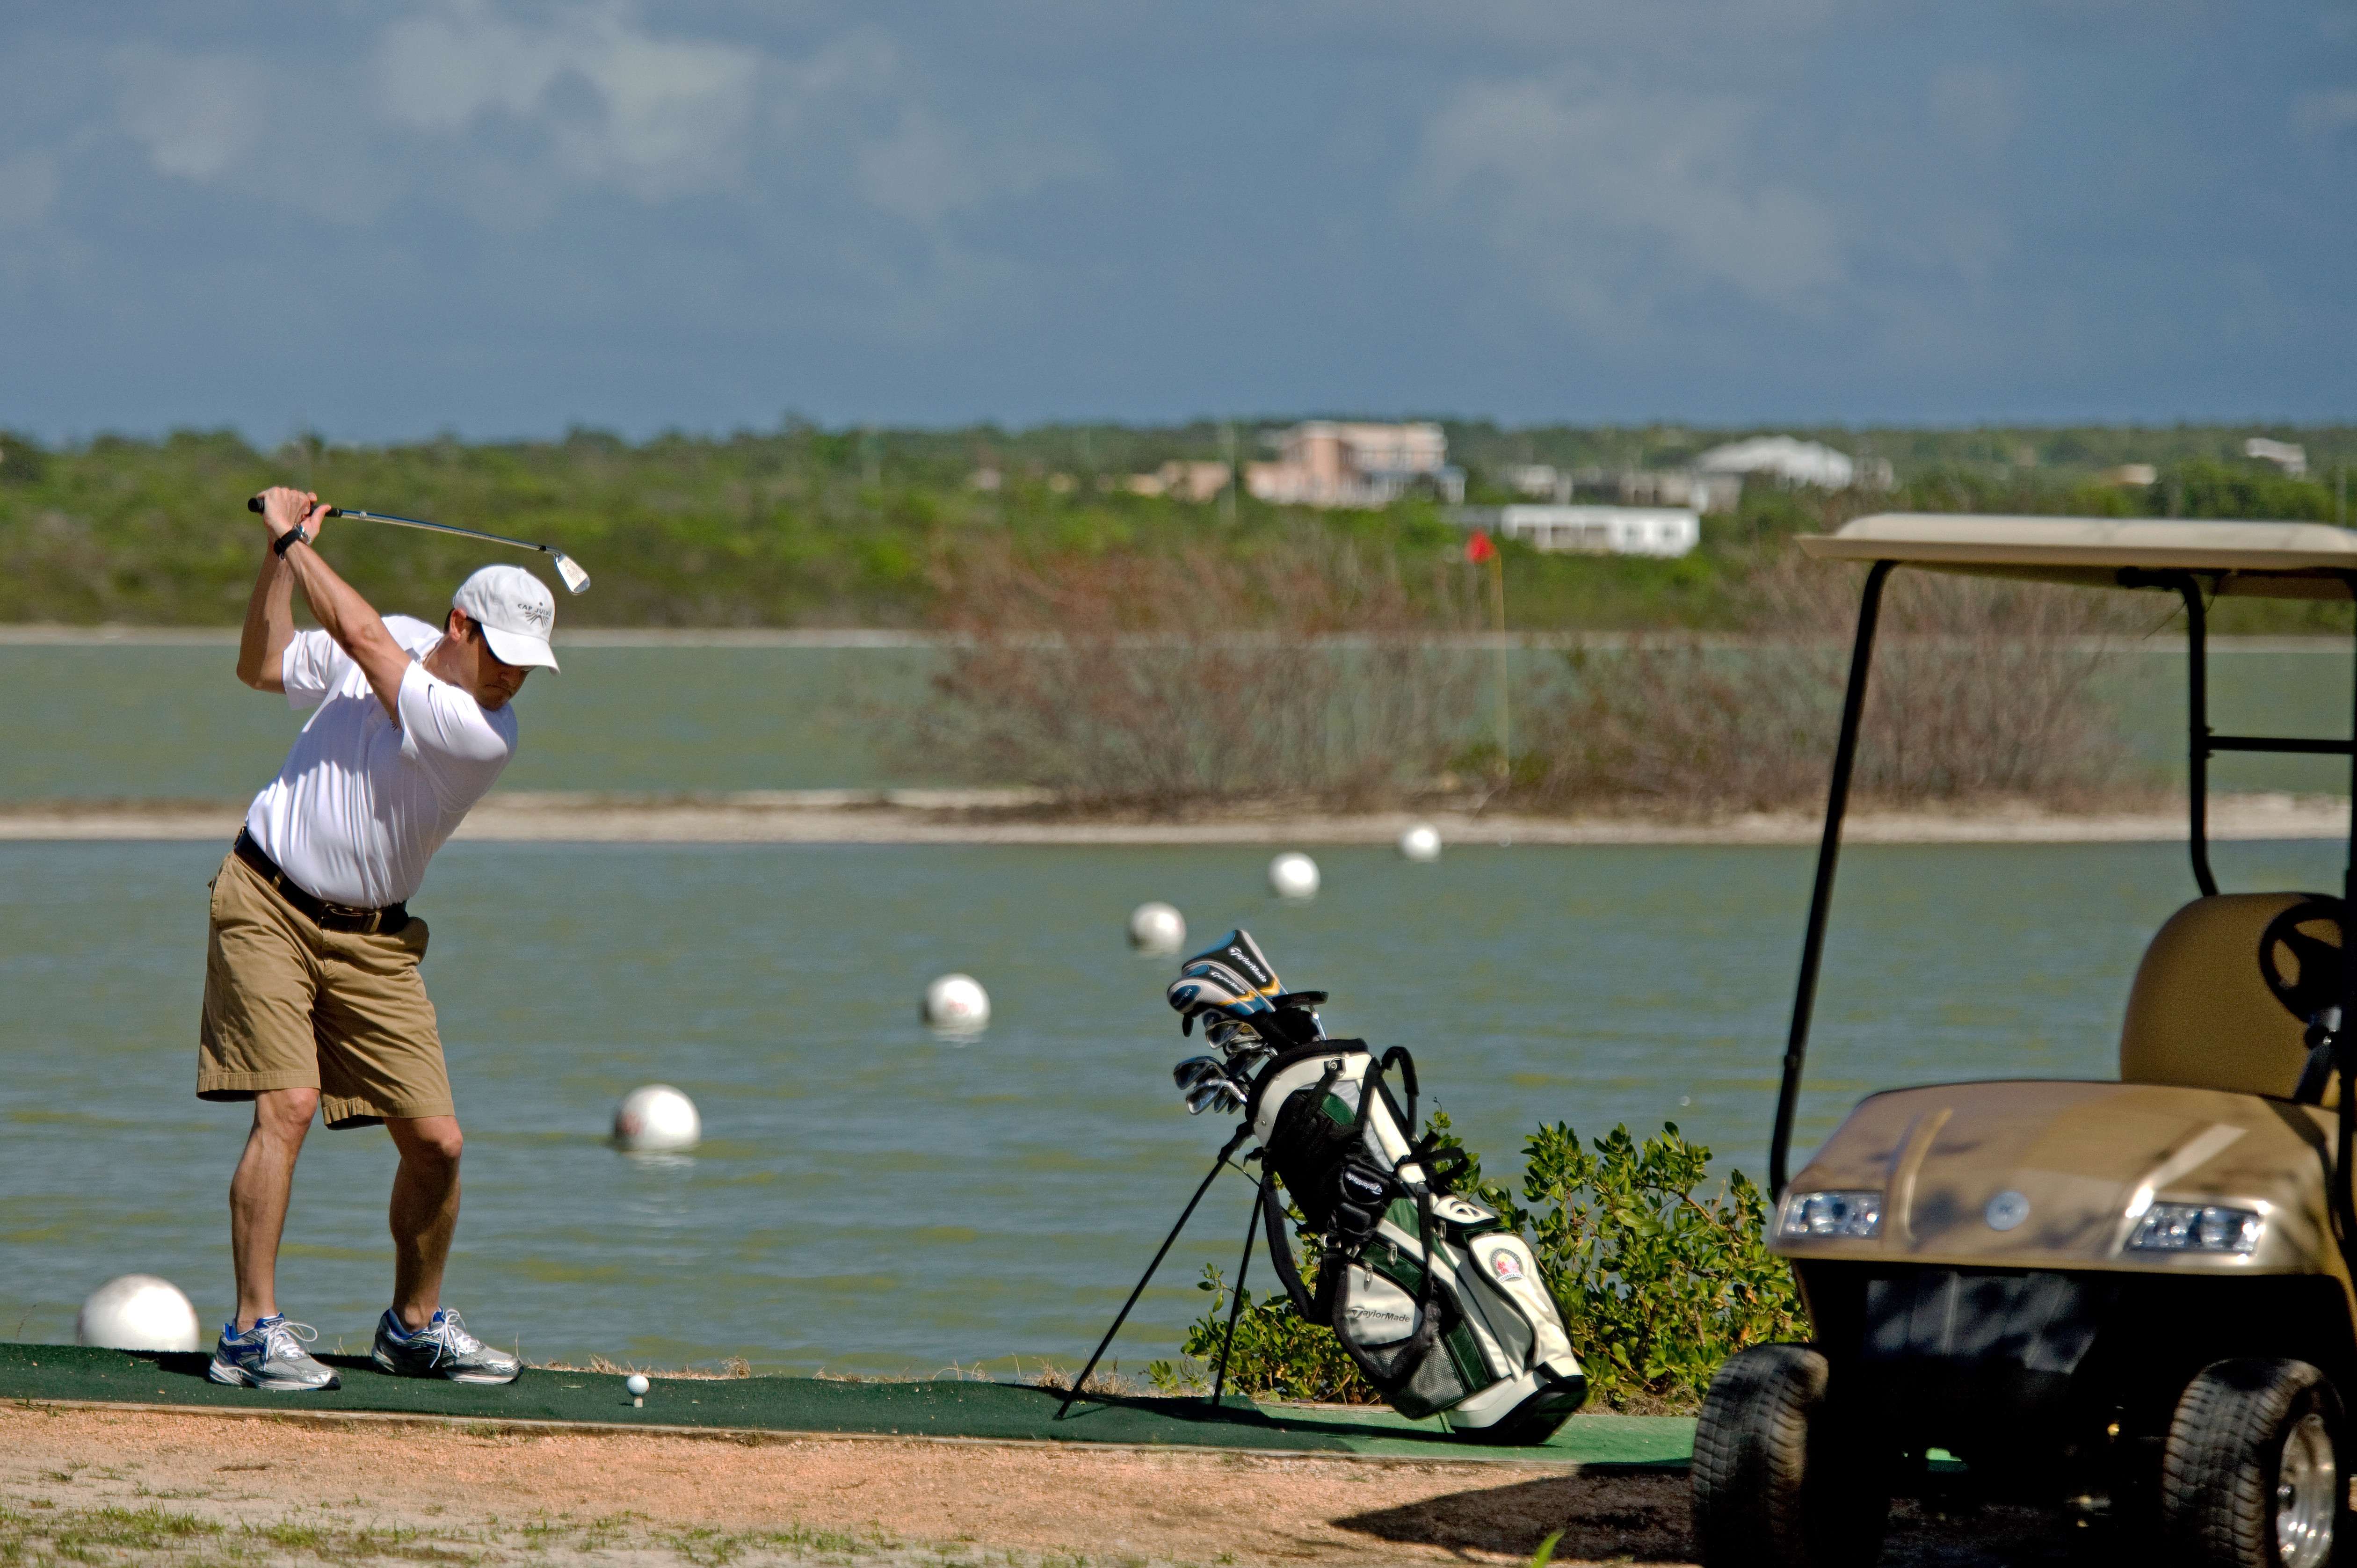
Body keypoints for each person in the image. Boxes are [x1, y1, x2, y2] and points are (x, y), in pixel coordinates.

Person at [197, 486, 559, 1392]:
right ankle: (250, 1331)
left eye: (529, 664)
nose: (514, 677)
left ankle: (414, 1325)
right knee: (286, 1103)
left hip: (374, 939)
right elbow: (263, 664)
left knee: (437, 1142)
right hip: (267, 898)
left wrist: (291, 539)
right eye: (504, 654)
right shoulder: (390, 635)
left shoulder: (482, 732)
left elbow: (365, 642)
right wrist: (274, 564)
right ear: (460, 624)